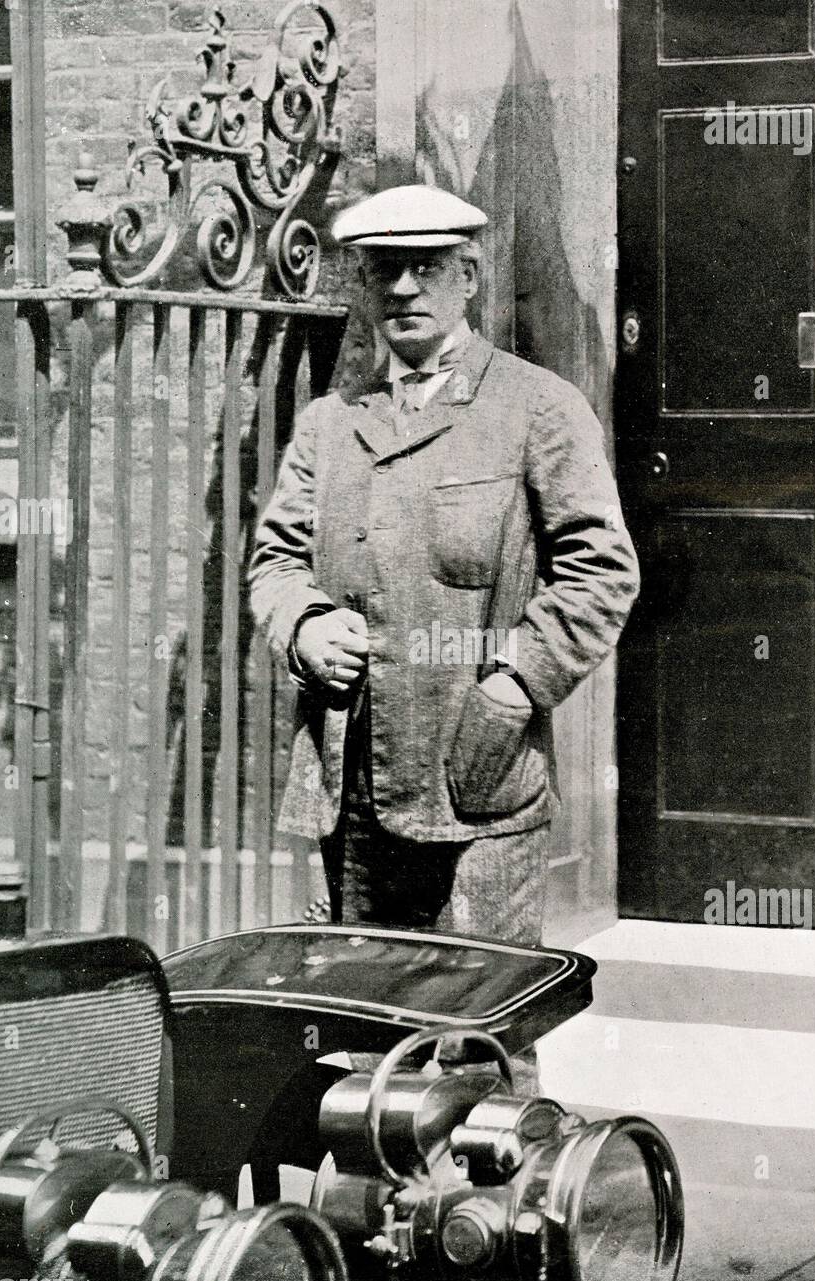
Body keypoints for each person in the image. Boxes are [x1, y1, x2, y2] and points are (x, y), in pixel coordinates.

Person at [248, 184, 639, 945]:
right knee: (364, 1011)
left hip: (476, 777)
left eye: (425, 267)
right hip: (350, 772)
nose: (402, 287)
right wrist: (304, 626)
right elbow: (276, 559)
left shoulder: (536, 409)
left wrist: (514, 685)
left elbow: (600, 573)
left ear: (468, 277)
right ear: (361, 285)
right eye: (383, 269)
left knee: (478, 1026)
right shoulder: (330, 425)